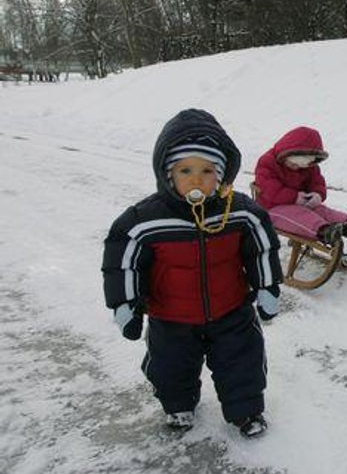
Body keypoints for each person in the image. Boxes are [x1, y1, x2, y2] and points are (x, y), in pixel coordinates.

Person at [101, 108, 283, 438]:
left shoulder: (239, 212)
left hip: (231, 310)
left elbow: (262, 246)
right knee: (170, 365)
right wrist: (125, 304)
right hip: (170, 316)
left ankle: (246, 410)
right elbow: (122, 260)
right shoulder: (145, 220)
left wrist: (267, 287)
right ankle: (178, 405)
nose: (196, 179)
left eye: (207, 170)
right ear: (168, 173)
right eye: (185, 170)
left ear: (222, 174)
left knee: (242, 361)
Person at [253, 126, 347, 246]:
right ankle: (324, 230)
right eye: (292, 164)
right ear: (285, 154)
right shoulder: (267, 162)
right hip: (271, 208)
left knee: (321, 210)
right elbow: (270, 189)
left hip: (300, 203)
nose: (297, 168)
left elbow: (317, 182)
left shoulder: (309, 167)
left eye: (301, 166)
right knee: (300, 216)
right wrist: (295, 197)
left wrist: (317, 195)